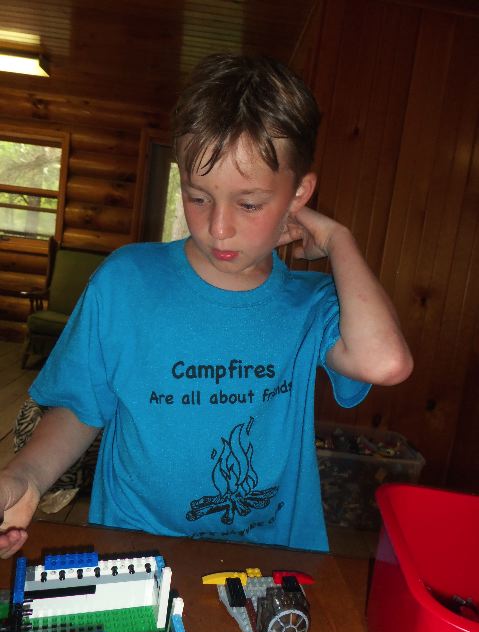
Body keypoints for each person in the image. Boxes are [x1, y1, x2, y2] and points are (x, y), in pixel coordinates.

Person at [0, 54, 413, 559]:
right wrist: (26, 476)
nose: (218, 228)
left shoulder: (313, 304)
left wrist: (337, 238)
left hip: (270, 560)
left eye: (249, 204)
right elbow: (81, 408)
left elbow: (385, 362)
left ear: (299, 195)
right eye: (198, 197)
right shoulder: (126, 281)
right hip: (135, 548)